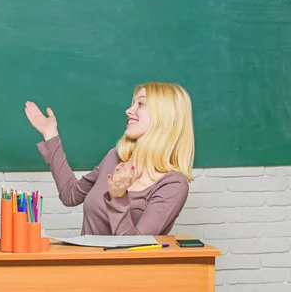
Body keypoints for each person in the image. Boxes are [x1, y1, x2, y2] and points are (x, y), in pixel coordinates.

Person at [24, 82, 194, 235]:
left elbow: (134, 248)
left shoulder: (172, 185)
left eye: (140, 104)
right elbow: (71, 194)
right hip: (84, 267)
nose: (129, 110)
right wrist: (50, 135)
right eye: (132, 103)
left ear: (164, 116)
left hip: (124, 270)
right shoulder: (114, 157)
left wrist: (118, 197)